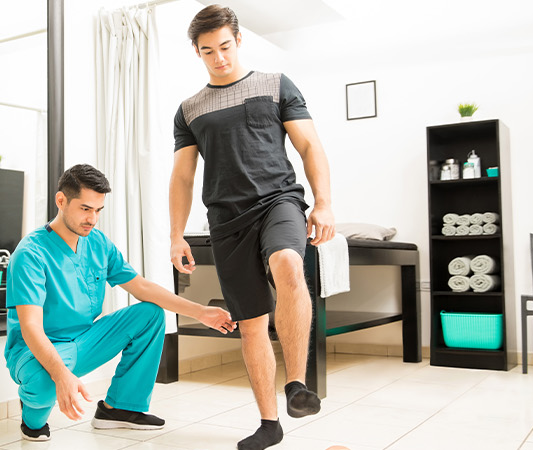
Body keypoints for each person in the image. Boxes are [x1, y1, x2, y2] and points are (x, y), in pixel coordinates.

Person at [167, 5, 337, 450]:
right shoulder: (189, 110)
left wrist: (323, 204)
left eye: (224, 46)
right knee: (251, 323)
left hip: (278, 201)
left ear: (238, 40)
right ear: (197, 52)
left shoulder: (276, 85)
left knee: (288, 263)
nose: (218, 57)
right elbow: (183, 177)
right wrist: (175, 234)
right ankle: (269, 423)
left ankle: (297, 385)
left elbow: (308, 145)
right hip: (225, 220)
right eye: (208, 51)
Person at [7, 164, 236, 442]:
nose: (92, 219)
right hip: (37, 349)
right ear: (61, 201)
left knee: (150, 314)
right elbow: (31, 328)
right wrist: (60, 375)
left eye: (98, 211)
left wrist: (200, 312)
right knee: (43, 384)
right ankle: (31, 415)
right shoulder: (30, 253)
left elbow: (140, 286)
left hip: (83, 341)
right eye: (85, 209)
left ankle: (120, 408)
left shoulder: (98, 243)